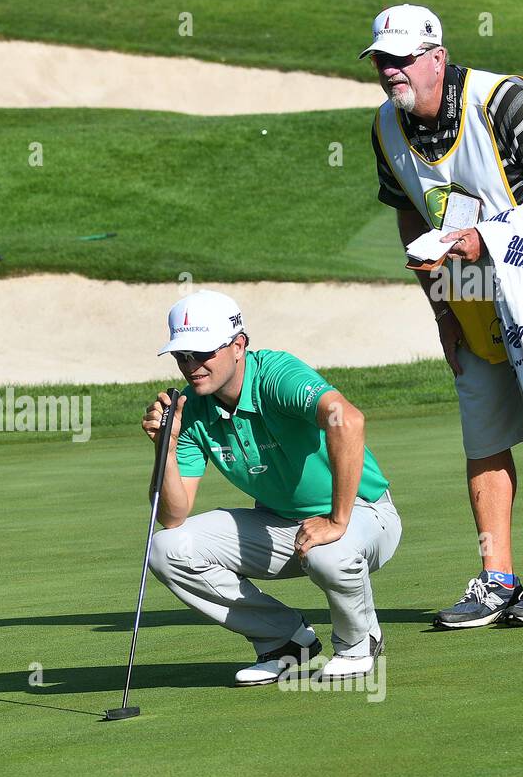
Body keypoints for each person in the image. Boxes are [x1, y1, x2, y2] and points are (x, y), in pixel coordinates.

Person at [363, 3, 523, 628]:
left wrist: (489, 237)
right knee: (483, 416)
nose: (392, 72)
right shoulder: (386, 129)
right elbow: (411, 214)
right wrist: (442, 307)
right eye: (383, 61)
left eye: (403, 60)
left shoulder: (503, 101)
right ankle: (497, 578)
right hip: (467, 274)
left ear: (436, 58)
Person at [142, 289, 401, 684]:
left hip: (363, 515)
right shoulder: (191, 409)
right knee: (166, 549)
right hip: (278, 526)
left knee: (327, 553)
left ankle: (358, 643)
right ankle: (284, 642)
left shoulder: (277, 374)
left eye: (203, 353)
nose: (192, 366)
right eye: (182, 356)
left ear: (238, 345)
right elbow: (173, 515)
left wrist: (336, 519)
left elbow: (346, 420)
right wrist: (168, 446)